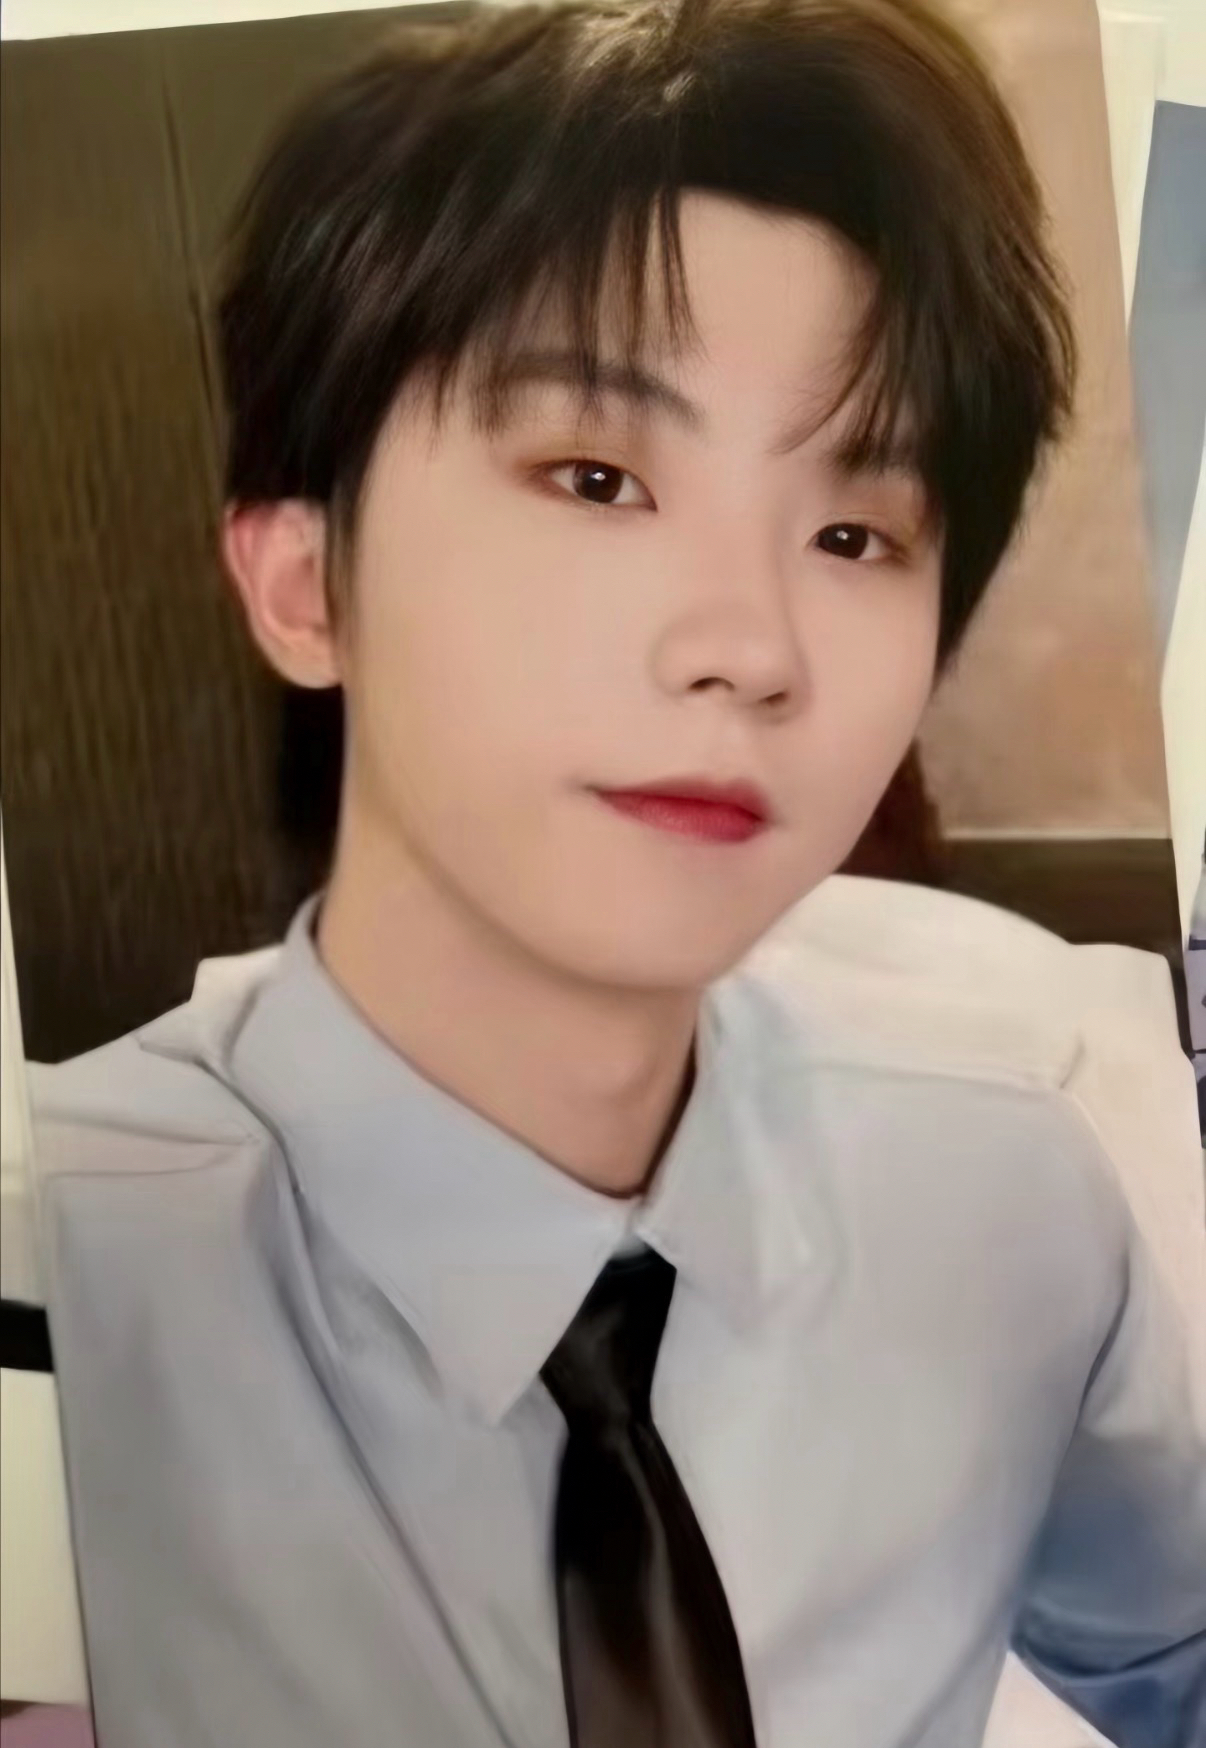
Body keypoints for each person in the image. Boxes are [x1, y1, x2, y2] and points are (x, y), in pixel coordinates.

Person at [22, 0, 1205, 1744]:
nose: (751, 646)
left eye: (852, 533)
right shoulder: (75, 1284)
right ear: (303, 582)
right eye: (595, 476)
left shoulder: (1004, 1202)